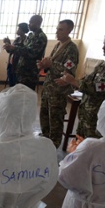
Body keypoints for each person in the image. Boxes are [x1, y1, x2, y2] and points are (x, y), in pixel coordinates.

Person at [57, 29, 105, 140]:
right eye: (104, 44)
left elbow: (98, 88)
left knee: (93, 151)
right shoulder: (104, 64)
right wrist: (71, 81)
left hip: (100, 120)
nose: (103, 47)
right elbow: (87, 80)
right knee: (80, 145)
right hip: (87, 116)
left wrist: (73, 81)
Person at [38, 20, 79, 148]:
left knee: (55, 118)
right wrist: (44, 65)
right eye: (57, 29)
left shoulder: (71, 49)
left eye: (61, 29)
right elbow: (51, 64)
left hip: (58, 91)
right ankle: (45, 138)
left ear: (69, 31)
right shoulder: (58, 45)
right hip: (49, 88)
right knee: (44, 115)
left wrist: (51, 65)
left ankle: (53, 144)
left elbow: (68, 72)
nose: (57, 32)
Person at [3, 15, 47, 91]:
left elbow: (31, 52)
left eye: (31, 22)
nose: (29, 24)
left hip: (29, 73)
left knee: (26, 96)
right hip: (21, 71)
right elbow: (23, 49)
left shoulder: (40, 37)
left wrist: (14, 48)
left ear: (37, 23)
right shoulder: (31, 35)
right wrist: (10, 47)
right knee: (18, 94)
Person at [3, 23, 29, 87]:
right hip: (11, 65)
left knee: (16, 85)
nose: (17, 30)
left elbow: (24, 52)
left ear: (23, 30)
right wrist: (8, 43)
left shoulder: (27, 40)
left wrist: (12, 47)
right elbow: (10, 51)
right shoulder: (17, 39)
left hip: (18, 66)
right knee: (11, 84)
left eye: (19, 29)